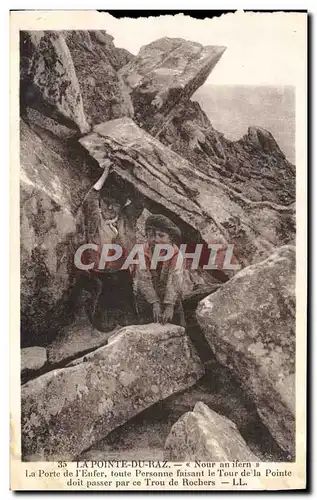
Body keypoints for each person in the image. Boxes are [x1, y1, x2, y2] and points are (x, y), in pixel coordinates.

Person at [71, 162, 143, 333]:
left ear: (121, 206)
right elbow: (91, 198)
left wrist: (130, 175)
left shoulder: (126, 219)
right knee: (104, 321)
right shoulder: (96, 220)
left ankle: (124, 318)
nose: (110, 207)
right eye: (107, 202)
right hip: (100, 274)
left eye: (116, 204)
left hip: (122, 272)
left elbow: (139, 201)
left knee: (130, 315)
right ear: (101, 203)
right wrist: (105, 173)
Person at [134, 214, 186, 327]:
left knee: (177, 326)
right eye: (151, 235)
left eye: (161, 236)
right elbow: (143, 279)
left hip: (170, 296)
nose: (156, 240)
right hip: (147, 297)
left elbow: (175, 280)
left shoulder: (176, 254)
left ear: (170, 238)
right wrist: (154, 302)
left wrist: (170, 305)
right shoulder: (142, 252)